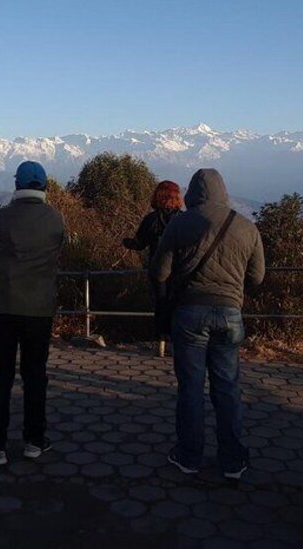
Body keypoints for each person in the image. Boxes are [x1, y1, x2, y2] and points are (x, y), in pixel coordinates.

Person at [151, 168, 264, 479]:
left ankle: (189, 456)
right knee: (227, 386)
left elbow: (160, 272)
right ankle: (233, 460)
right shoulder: (246, 226)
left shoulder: (180, 223)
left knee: (191, 387)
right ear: (223, 191)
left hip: (189, 315)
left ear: (193, 193)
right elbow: (257, 277)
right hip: (230, 314)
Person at [0, 161, 64, 466]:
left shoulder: (0, 218)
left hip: (1, 307)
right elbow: (59, 252)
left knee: (0, 377)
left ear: (17, 184)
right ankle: (34, 440)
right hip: (39, 310)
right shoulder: (56, 218)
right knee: (35, 376)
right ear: (44, 185)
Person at [123, 180, 183, 344]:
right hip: (181, 272)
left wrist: (126, 242)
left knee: (160, 304)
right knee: (178, 304)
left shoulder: (151, 219)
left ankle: (161, 340)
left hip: (157, 270)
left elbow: (139, 244)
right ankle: (178, 340)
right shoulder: (185, 220)